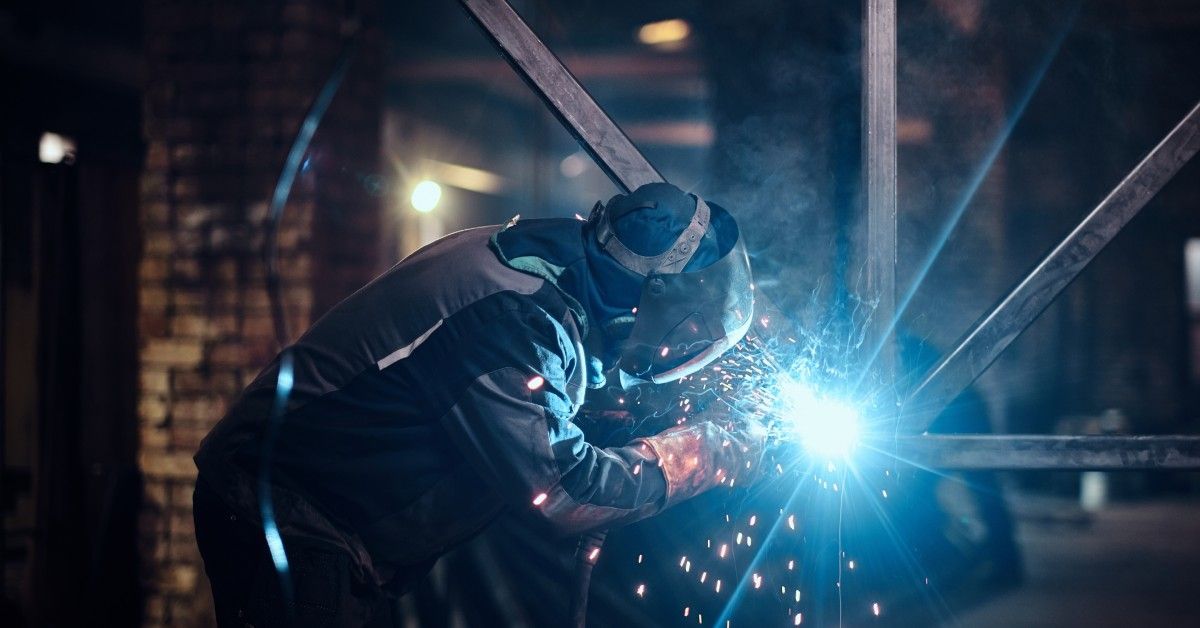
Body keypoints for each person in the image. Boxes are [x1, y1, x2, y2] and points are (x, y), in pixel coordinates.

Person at [193, 182, 765, 627]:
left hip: (328, 522)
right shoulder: (513, 320)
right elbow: (564, 491)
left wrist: (630, 421)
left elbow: (543, 397)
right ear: (655, 300)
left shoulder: (557, 268)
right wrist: (700, 454)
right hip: (284, 511)